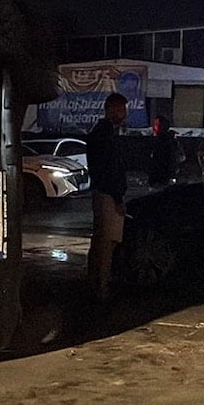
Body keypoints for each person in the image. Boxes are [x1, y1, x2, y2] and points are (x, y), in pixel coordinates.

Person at [86, 93, 129, 301]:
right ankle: (101, 286)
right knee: (107, 242)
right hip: (108, 194)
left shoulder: (101, 133)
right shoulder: (106, 135)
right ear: (112, 109)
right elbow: (111, 169)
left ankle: (95, 281)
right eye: (122, 109)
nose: (124, 114)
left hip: (101, 191)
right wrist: (118, 198)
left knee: (101, 240)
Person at [148, 116, 182, 187]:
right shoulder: (158, 140)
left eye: (156, 125)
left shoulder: (165, 141)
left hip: (163, 177)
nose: (154, 127)